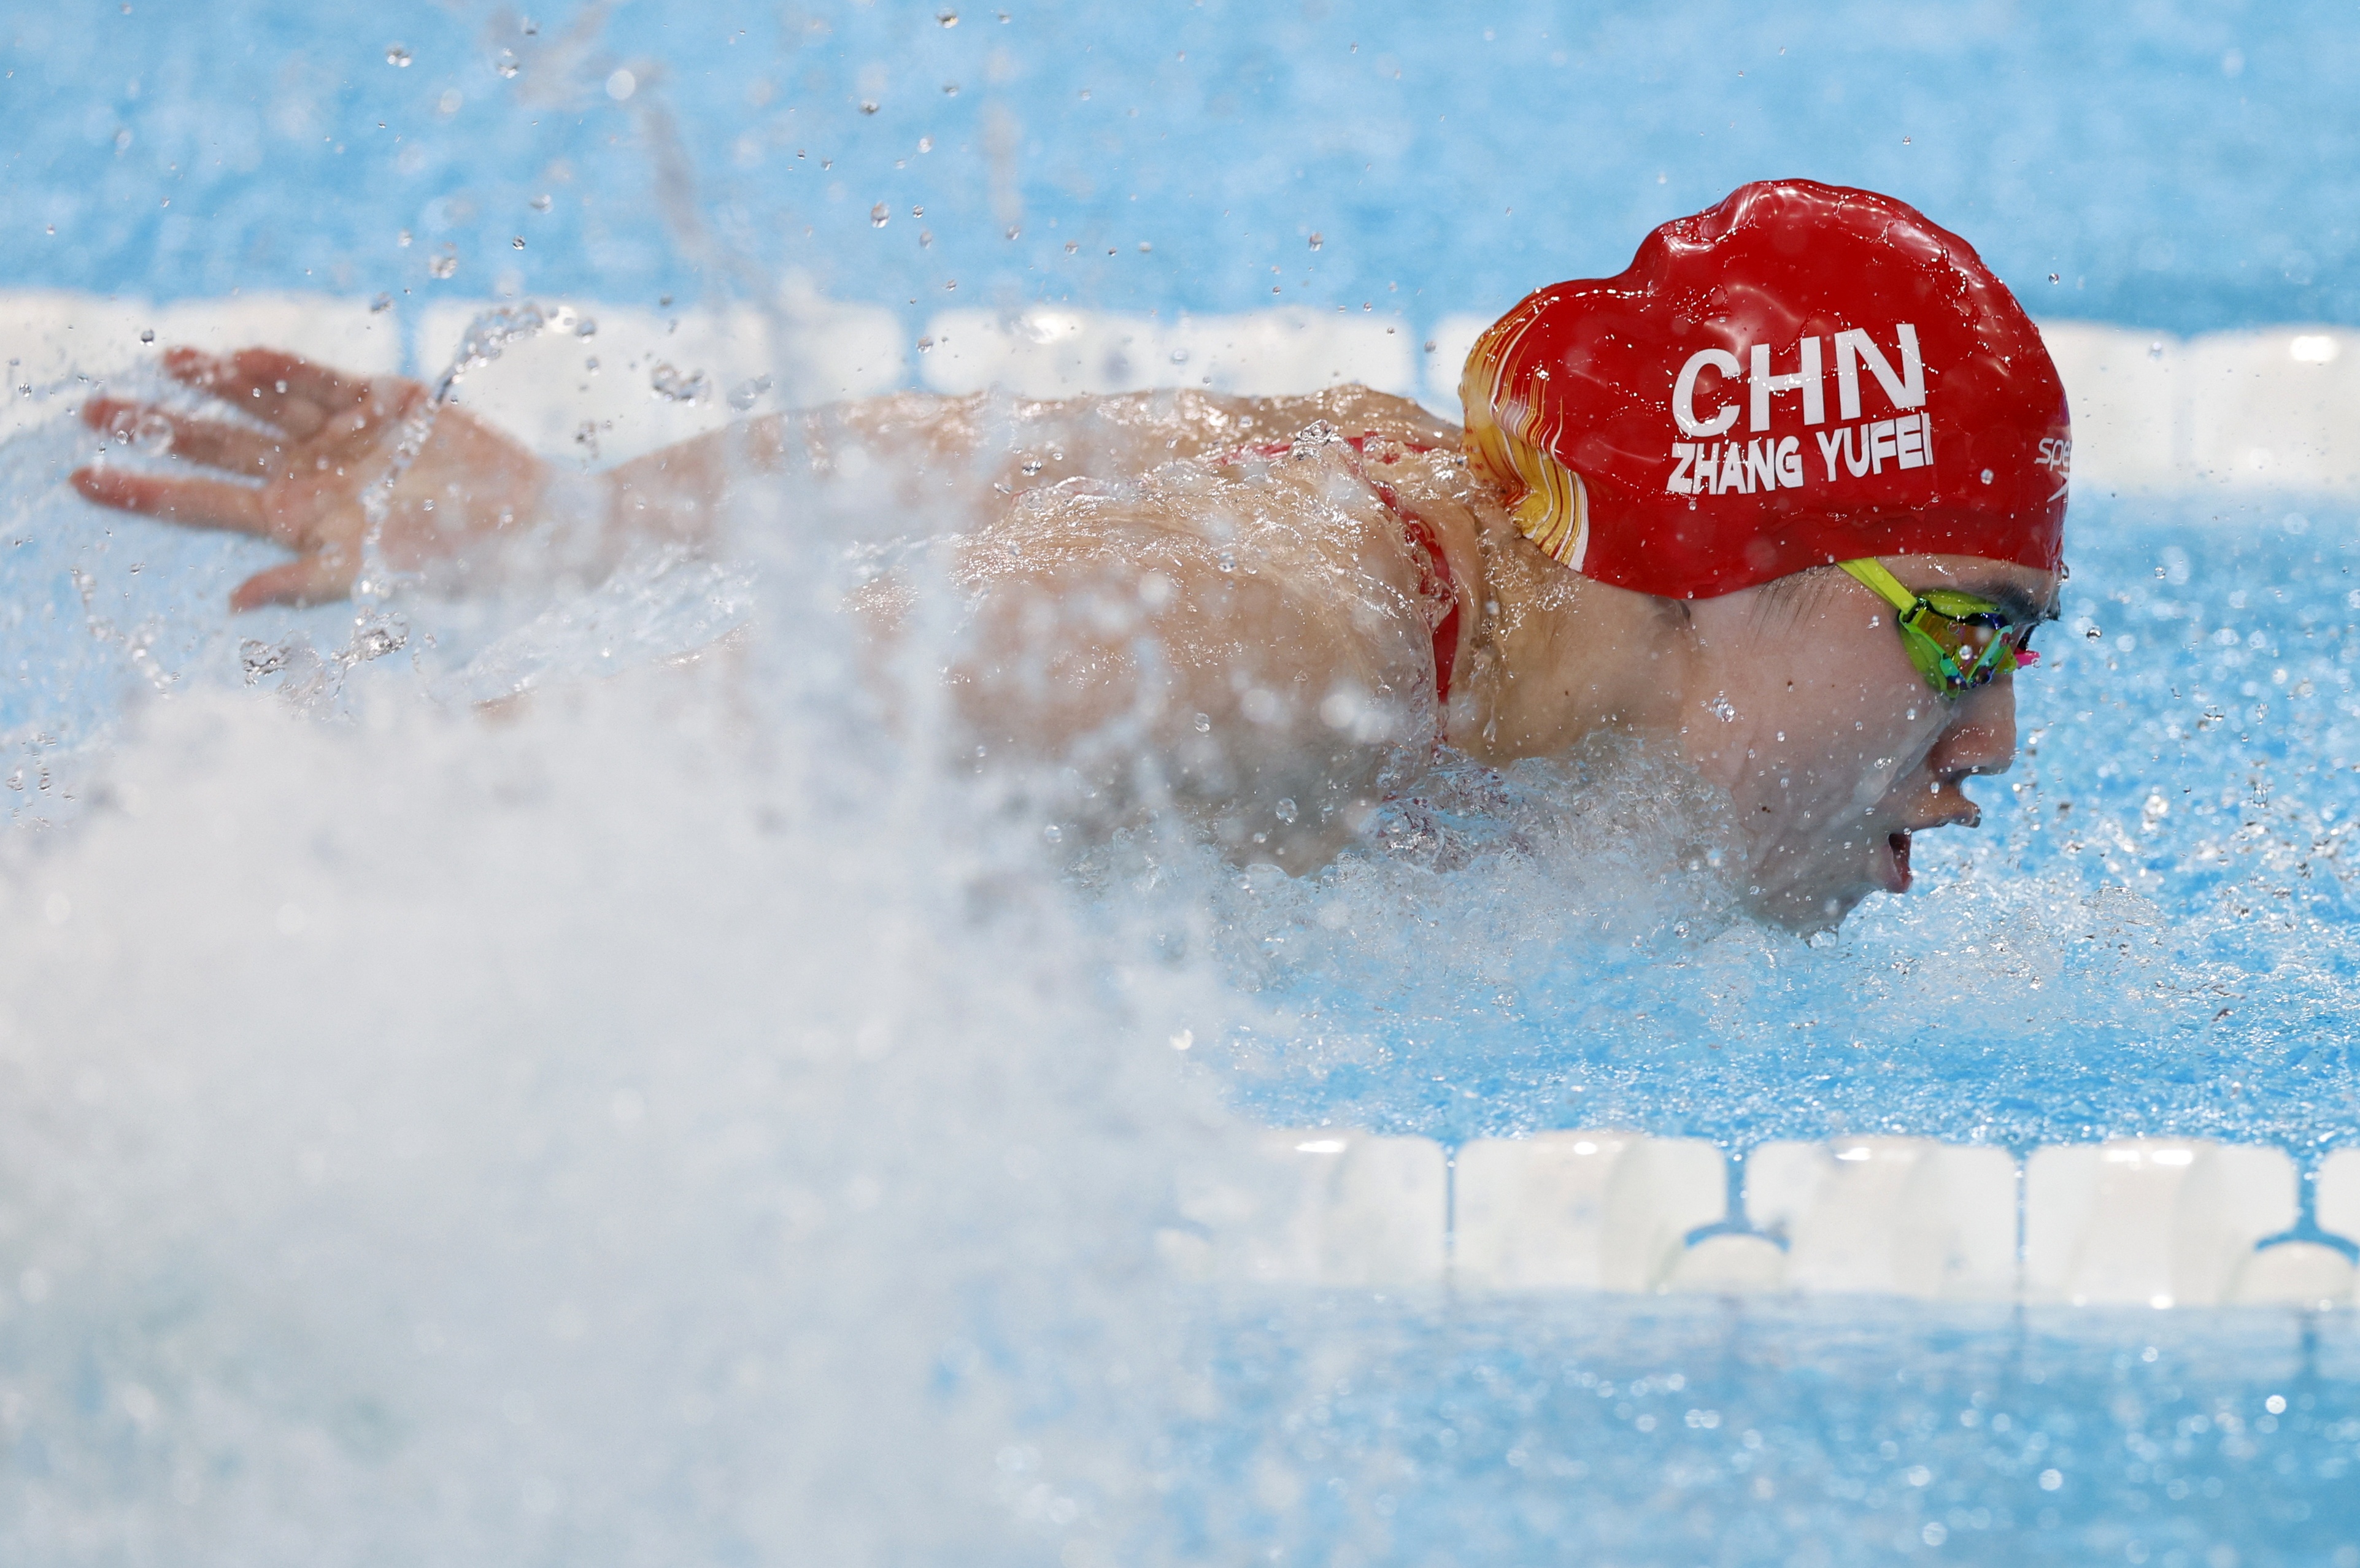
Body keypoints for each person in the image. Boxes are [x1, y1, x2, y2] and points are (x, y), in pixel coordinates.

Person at [68, 179, 2067, 931]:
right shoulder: (1280, 647)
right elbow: (637, 769)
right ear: (1749, 560)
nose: (1989, 746)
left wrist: (569, 523)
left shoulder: (1460, 542)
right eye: (1965, 638)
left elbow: (989, 453)